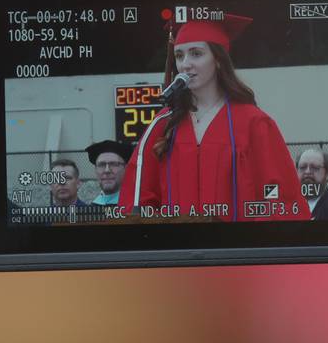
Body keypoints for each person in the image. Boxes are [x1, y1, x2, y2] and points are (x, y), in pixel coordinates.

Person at [118, 13, 309, 222]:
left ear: (218, 60)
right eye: (180, 56)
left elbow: (276, 195)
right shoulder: (163, 122)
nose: (185, 64)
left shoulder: (253, 122)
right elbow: (139, 198)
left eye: (196, 54)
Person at [85, 140, 133, 206]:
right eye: (101, 165)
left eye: (114, 164)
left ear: (125, 168)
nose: (107, 170)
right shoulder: (90, 209)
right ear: (95, 170)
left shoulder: (137, 206)